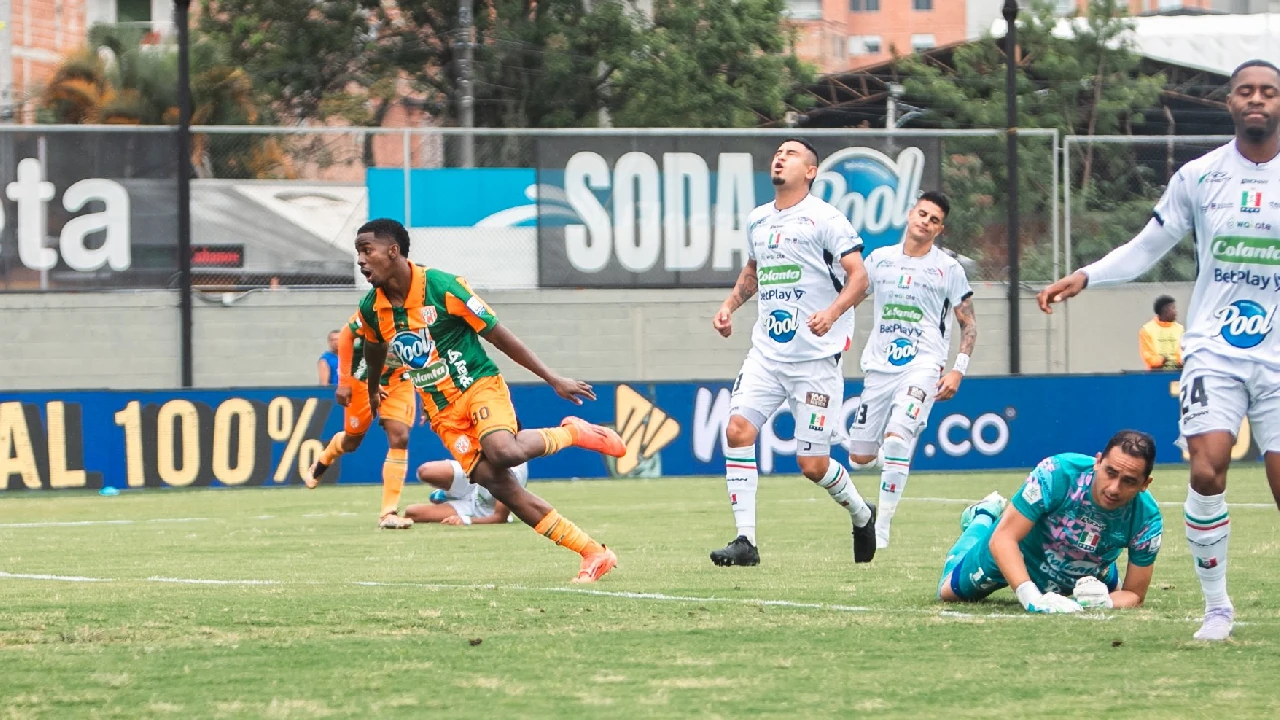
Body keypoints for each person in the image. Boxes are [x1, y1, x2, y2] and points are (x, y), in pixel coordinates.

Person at [1037, 59, 1280, 640]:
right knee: (1207, 467)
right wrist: (1088, 274)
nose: (1257, 99)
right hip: (1214, 348)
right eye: (1246, 91)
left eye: (1269, 92)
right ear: (1229, 102)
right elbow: (1148, 246)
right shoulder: (1199, 176)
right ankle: (1217, 608)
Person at [354, 218, 625, 583]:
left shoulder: (443, 287)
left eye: (366, 250)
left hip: (478, 386)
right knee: (502, 488)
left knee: (504, 452)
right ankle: (593, 552)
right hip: (443, 413)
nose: (361, 260)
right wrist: (373, 388)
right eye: (358, 252)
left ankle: (573, 433)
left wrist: (552, 378)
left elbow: (499, 335)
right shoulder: (372, 307)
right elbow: (373, 348)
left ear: (393, 251)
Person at [709, 138, 876, 567]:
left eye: (792, 153)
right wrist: (729, 306)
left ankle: (862, 514)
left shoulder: (827, 218)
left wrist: (832, 312)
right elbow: (753, 271)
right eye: (779, 152)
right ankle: (745, 541)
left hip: (815, 360)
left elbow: (861, 278)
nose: (780, 157)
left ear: (811, 171)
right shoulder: (758, 220)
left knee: (813, 464)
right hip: (767, 353)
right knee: (737, 430)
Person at [845, 191, 977, 549]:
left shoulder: (948, 269)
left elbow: (968, 324)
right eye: (922, 214)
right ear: (910, 215)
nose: (926, 222)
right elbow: (850, 298)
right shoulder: (879, 260)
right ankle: (896, 456)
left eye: (934, 220)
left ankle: (882, 528)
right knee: (860, 457)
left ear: (940, 229)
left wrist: (957, 370)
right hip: (879, 365)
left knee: (897, 437)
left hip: (923, 365)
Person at [938, 430, 1163, 614]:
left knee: (1109, 591)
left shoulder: (1147, 519)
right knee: (948, 593)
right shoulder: (1057, 474)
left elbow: (1134, 594)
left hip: (1089, 566)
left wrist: (1105, 602)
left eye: (1129, 481)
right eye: (1110, 472)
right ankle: (983, 516)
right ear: (1097, 462)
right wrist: (1030, 597)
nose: (1114, 488)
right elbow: (1004, 539)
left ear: (1145, 484)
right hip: (1021, 552)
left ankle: (1100, 569)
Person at [304, 313, 420, 530]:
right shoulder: (375, 307)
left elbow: (432, 356)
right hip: (363, 379)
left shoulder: (427, 311)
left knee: (400, 437)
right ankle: (324, 458)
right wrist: (344, 381)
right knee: (351, 442)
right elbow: (346, 335)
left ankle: (388, 513)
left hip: (398, 380)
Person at [403, 458, 528, 526]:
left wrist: (466, 520)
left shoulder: (513, 475)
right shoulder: (488, 435)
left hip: (480, 508)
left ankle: (452, 498)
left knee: (412, 512)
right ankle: (449, 494)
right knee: (425, 471)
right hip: (473, 477)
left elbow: (500, 517)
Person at [1139, 295, 1184, 370]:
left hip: (1178, 372)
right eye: (1173, 308)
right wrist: (1161, 361)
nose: (1176, 312)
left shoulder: (1180, 329)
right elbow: (1147, 355)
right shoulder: (1147, 329)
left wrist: (1181, 362)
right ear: (1165, 310)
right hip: (1156, 374)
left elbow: (1183, 351)